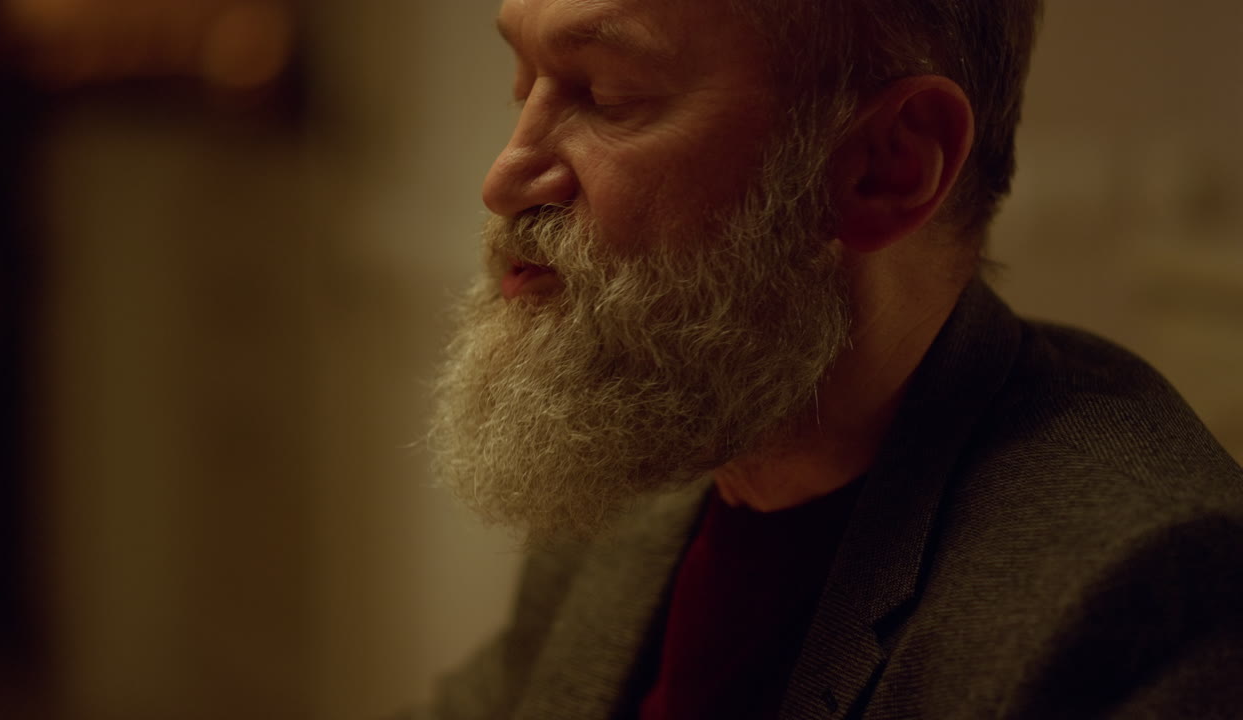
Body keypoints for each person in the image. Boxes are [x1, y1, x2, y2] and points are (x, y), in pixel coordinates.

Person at [411, 0, 1243, 717]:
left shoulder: (1150, 602)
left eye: (608, 94)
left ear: (887, 165)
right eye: (524, 85)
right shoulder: (645, 430)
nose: (506, 175)